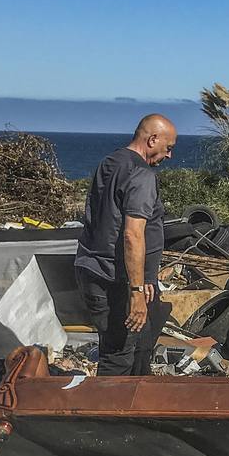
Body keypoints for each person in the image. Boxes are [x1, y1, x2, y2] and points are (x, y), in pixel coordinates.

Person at [74, 113, 177, 375]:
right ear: (153, 139)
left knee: (140, 346)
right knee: (118, 354)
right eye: (168, 148)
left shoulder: (109, 162)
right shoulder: (141, 175)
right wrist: (136, 291)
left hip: (94, 269)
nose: (169, 156)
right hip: (116, 279)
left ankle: (136, 407)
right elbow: (132, 234)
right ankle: (106, 413)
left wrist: (148, 279)